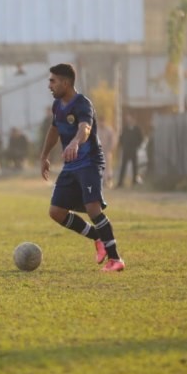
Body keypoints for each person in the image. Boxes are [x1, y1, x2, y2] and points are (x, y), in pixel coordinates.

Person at [40, 63, 125, 272]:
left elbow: (85, 128)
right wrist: (44, 155)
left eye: (53, 81)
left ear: (65, 83)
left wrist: (75, 142)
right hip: (71, 165)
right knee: (56, 212)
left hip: (89, 162)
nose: (49, 85)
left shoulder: (82, 104)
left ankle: (115, 259)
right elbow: (54, 130)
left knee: (93, 208)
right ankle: (98, 237)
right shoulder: (57, 105)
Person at [117, 114, 143, 187]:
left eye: (131, 119)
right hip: (126, 150)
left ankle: (134, 181)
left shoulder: (137, 129)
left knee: (135, 166)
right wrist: (122, 145)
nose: (129, 121)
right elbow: (121, 138)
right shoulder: (125, 128)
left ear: (134, 120)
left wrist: (137, 146)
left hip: (133, 150)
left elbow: (141, 138)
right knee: (123, 166)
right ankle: (120, 182)